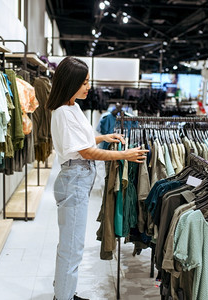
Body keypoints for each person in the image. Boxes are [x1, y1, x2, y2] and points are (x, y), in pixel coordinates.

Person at [46, 56, 149, 300]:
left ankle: (65, 293)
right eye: (83, 82)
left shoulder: (73, 107)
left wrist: (104, 137)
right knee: (72, 247)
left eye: (88, 81)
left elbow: (85, 139)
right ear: (70, 83)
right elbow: (85, 151)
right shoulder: (62, 112)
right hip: (74, 177)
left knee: (72, 245)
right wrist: (124, 155)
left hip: (78, 176)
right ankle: (63, 297)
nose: (88, 86)